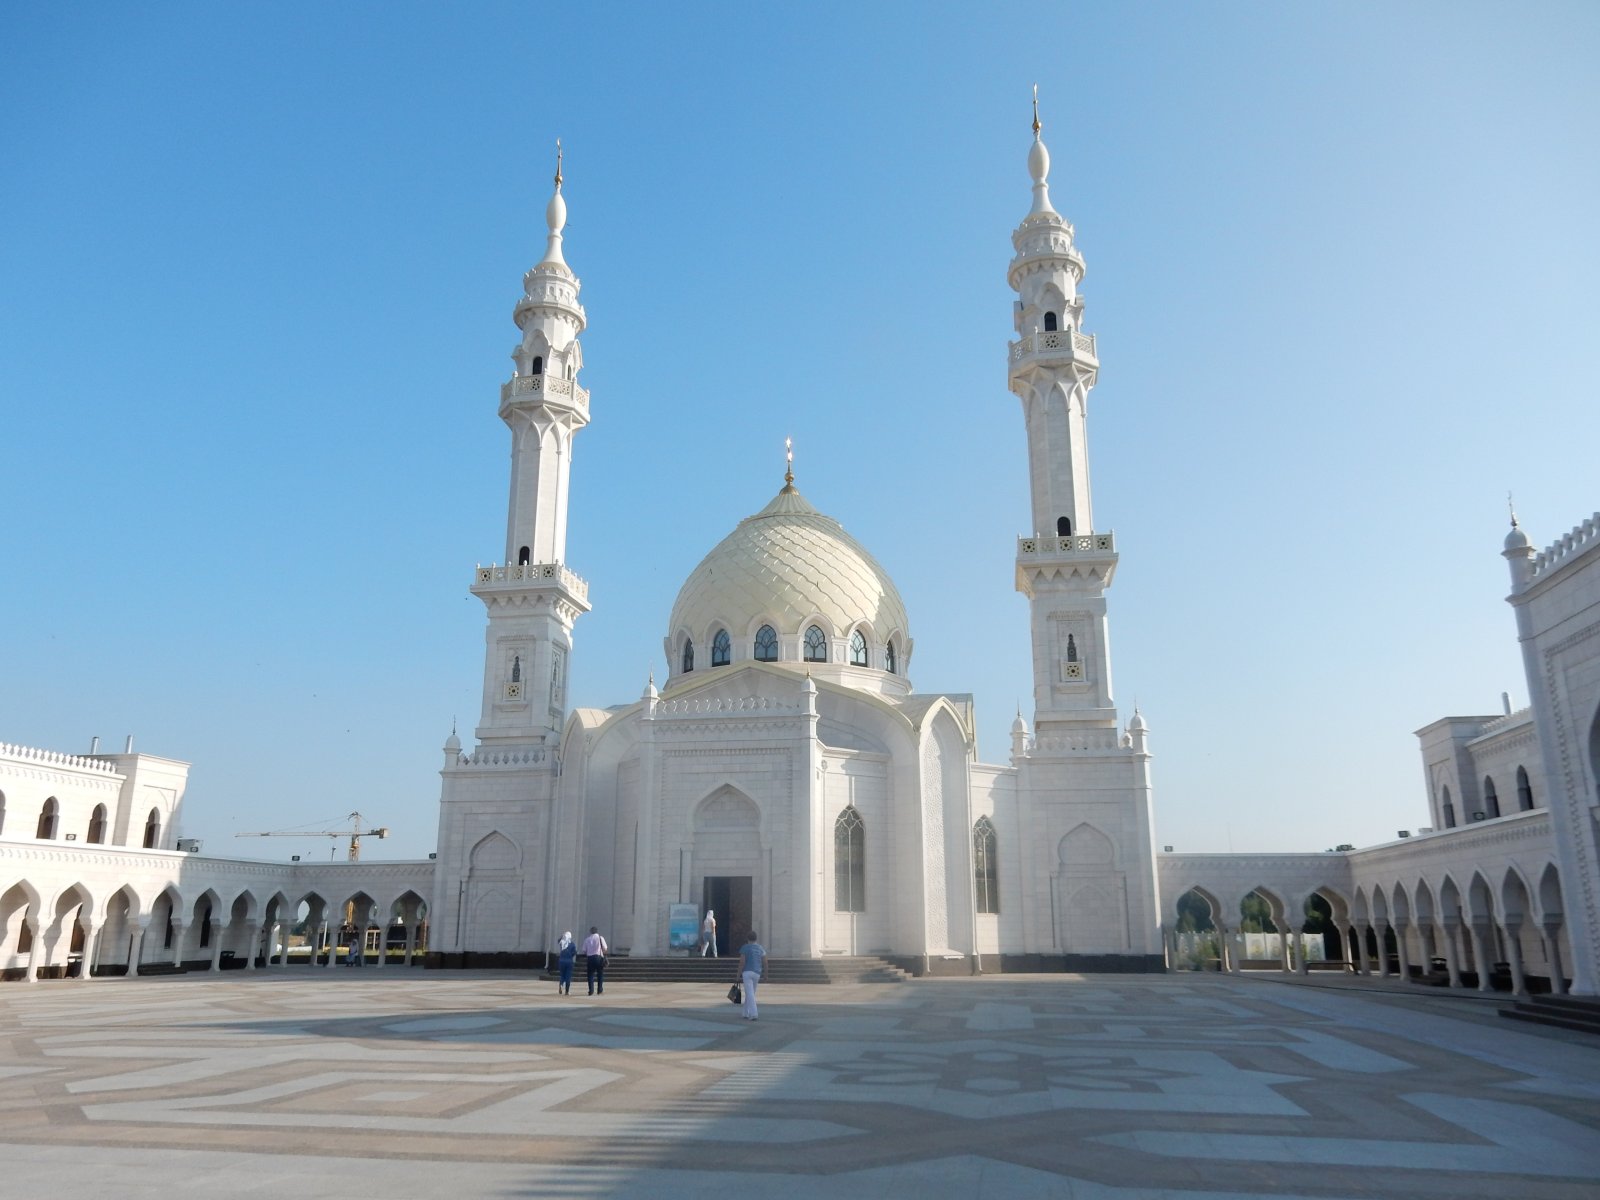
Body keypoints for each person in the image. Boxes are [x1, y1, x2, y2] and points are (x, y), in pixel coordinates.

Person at [738, 930, 766, 1021]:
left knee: (750, 993)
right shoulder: (760, 948)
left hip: (747, 972)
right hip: (757, 972)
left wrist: (738, 974)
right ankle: (745, 1012)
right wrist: (766, 973)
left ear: (747, 938)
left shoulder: (745, 948)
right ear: (756, 938)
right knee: (751, 993)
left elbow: (742, 962)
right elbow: (765, 962)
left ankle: (754, 1014)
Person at [582, 926, 608, 995]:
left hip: (590, 958)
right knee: (600, 974)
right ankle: (599, 990)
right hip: (599, 957)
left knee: (590, 974)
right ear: (597, 931)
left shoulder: (587, 939)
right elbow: (605, 948)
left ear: (590, 931)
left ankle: (591, 990)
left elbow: (584, 951)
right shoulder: (600, 938)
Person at [556, 931, 576, 995]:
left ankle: (561, 985)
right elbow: (574, 953)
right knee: (568, 976)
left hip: (561, 961)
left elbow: (558, 940)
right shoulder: (572, 944)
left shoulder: (562, 943)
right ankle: (567, 991)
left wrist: (562, 936)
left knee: (562, 975)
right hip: (569, 962)